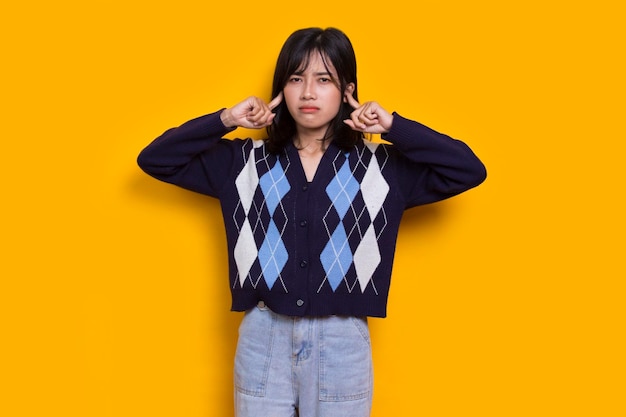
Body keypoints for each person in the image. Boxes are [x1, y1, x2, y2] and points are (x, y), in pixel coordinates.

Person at [137, 27, 486, 417]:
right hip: (262, 338)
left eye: (324, 80)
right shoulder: (242, 163)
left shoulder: (381, 168)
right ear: (281, 89)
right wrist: (226, 119)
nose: (308, 93)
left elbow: (467, 169)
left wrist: (393, 128)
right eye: (296, 78)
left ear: (347, 90)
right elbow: (155, 159)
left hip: (342, 342)